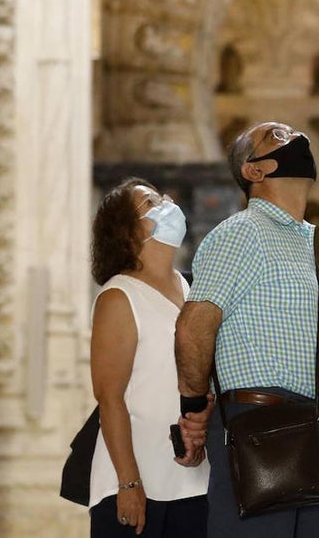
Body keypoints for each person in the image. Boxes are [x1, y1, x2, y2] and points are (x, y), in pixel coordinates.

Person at [172, 122, 319, 537]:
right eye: (278, 136)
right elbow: (193, 328)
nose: (297, 138)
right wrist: (193, 408)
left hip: (305, 432)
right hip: (260, 430)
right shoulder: (242, 232)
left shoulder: (296, 242)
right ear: (254, 171)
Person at [88, 178, 210, 536]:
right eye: (151, 203)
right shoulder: (119, 296)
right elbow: (109, 397)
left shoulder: (192, 289)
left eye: (162, 197)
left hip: (193, 480)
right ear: (126, 233)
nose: (167, 203)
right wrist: (129, 483)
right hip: (133, 481)